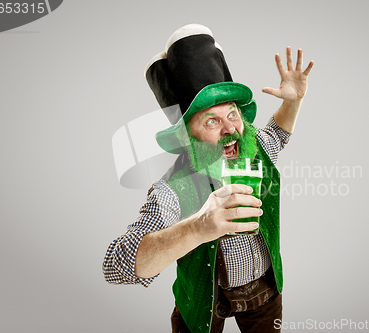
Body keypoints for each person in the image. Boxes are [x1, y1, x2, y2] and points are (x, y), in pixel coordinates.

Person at [103, 24, 313, 333]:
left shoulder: (255, 150)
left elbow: (277, 135)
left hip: (263, 293)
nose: (230, 129)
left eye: (232, 114)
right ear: (187, 137)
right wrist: (199, 227)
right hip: (202, 300)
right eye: (212, 120)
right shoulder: (171, 190)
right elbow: (116, 265)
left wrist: (293, 101)